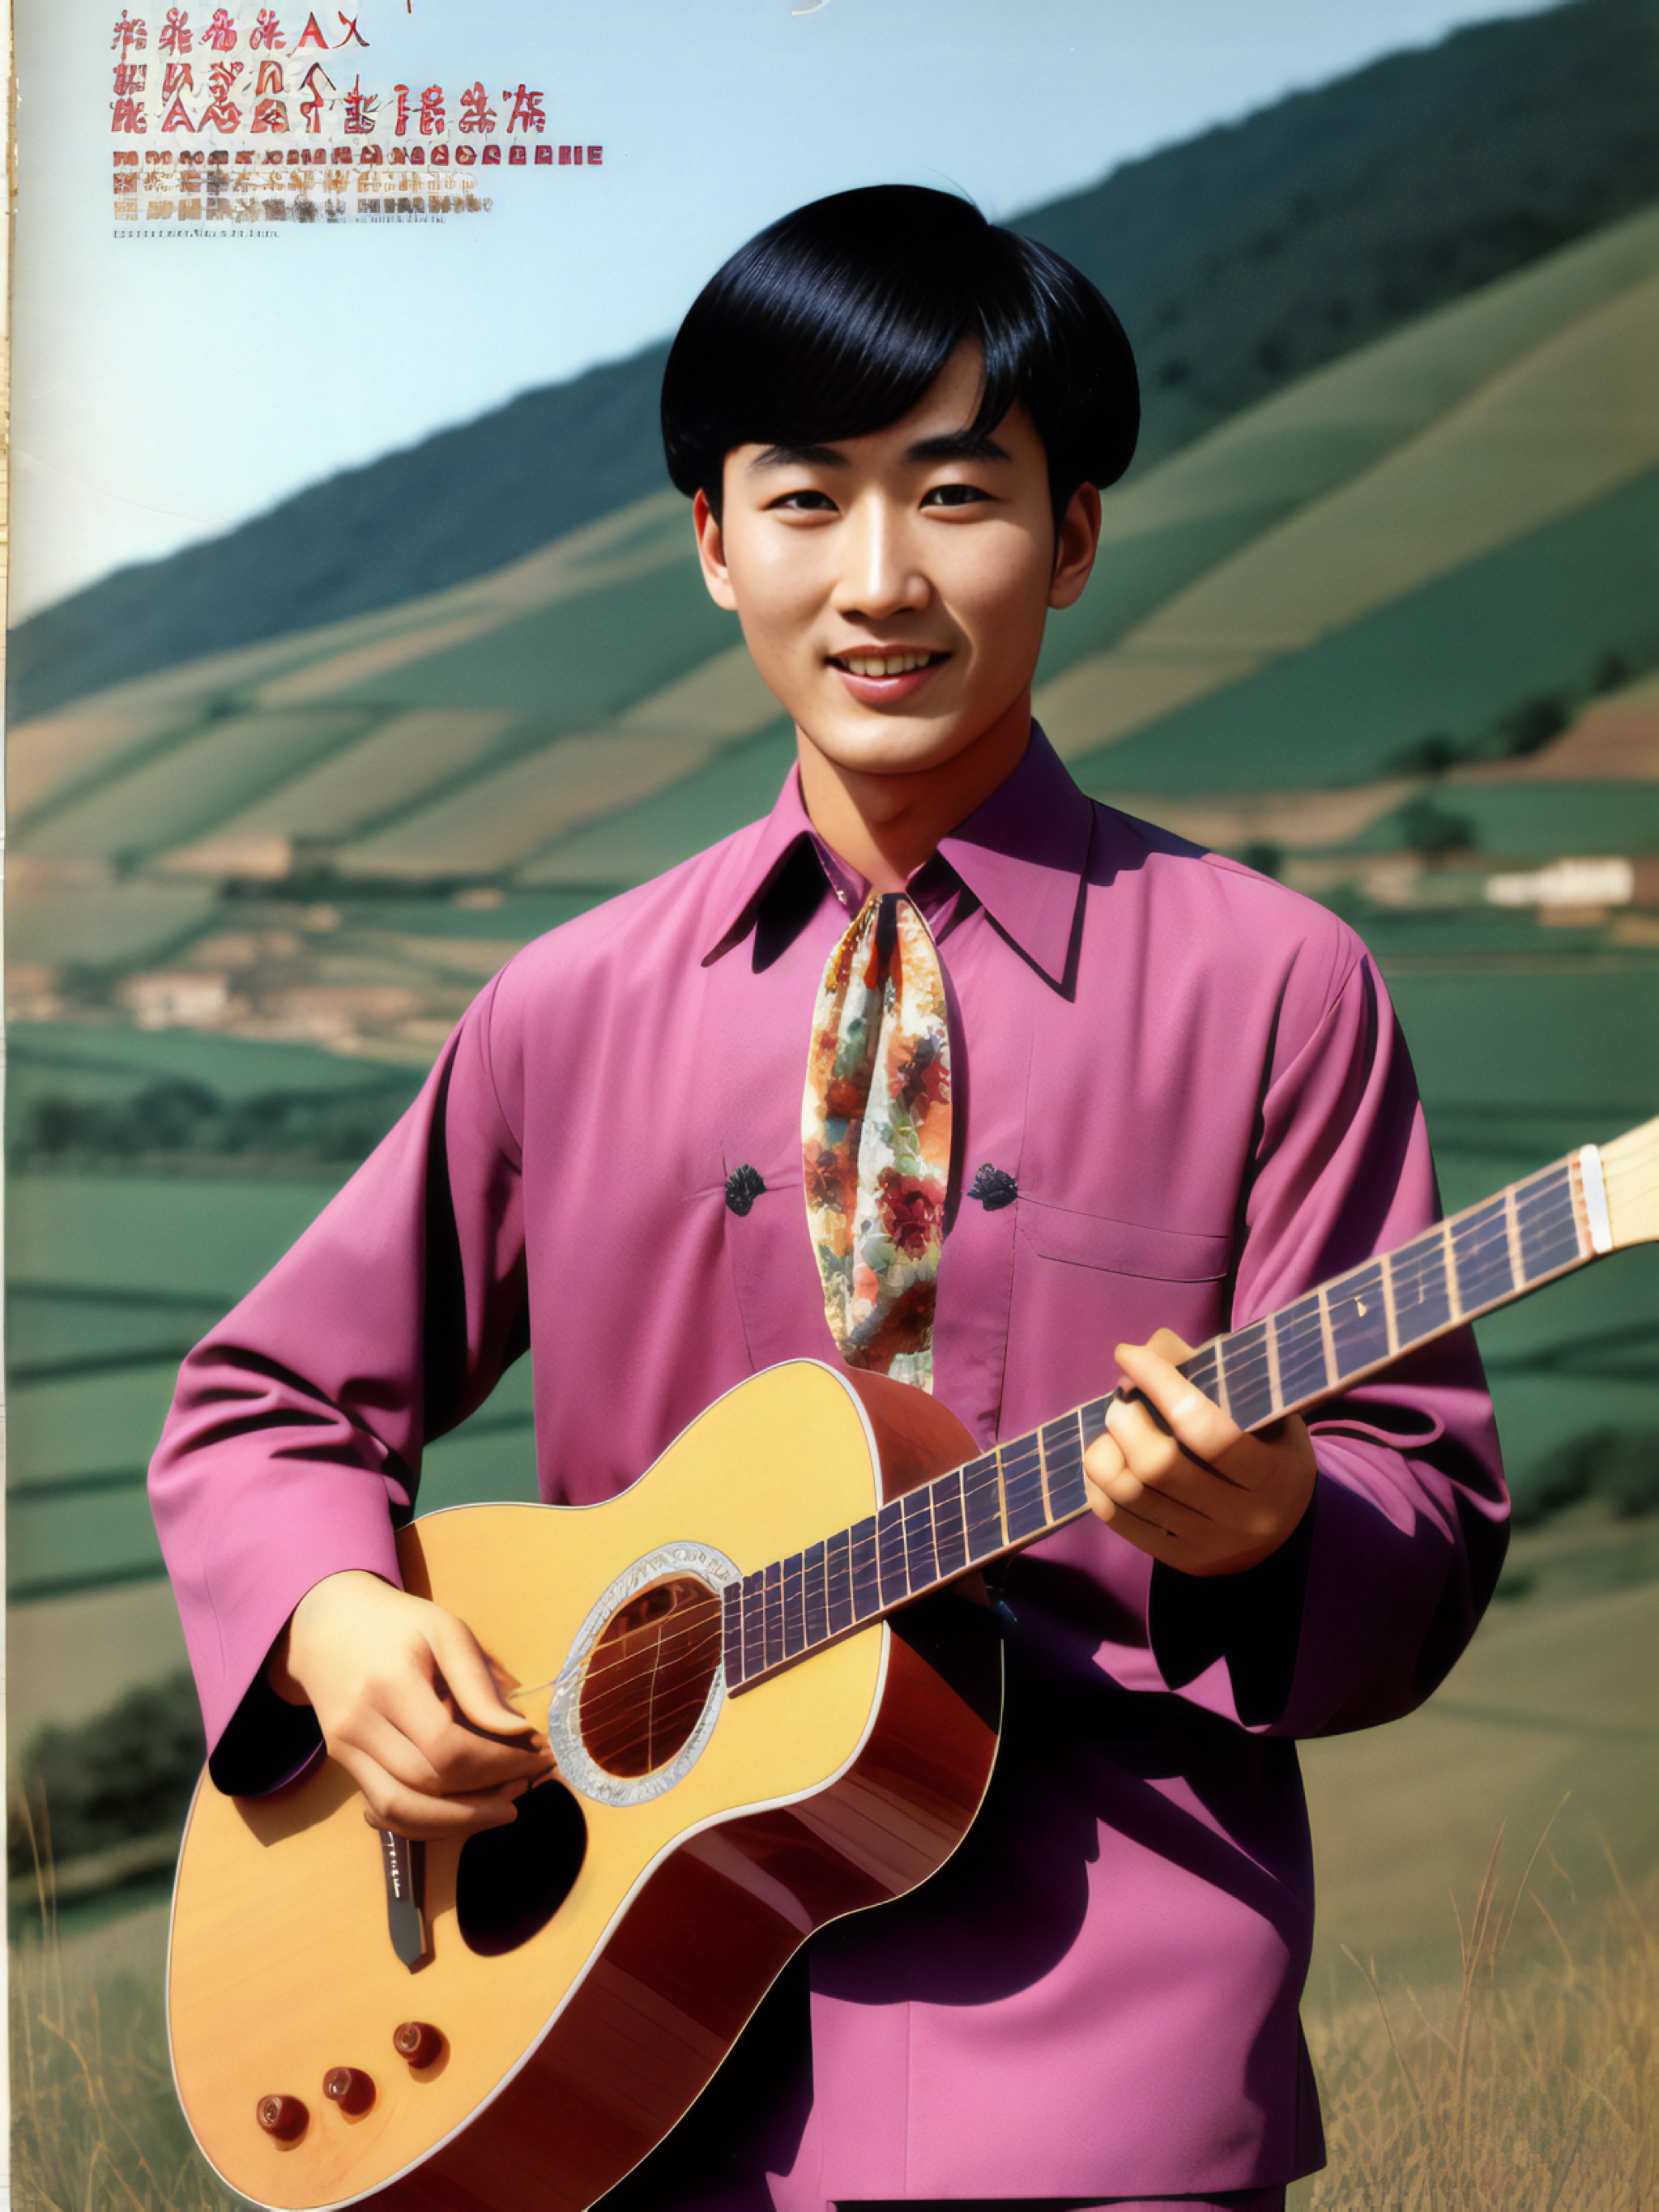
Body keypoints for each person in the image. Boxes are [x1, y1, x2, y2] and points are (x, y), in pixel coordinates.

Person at [150, 185, 1508, 2212]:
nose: (881, 579)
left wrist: (1279, 1527)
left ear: (1071, 538)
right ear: (712, 544)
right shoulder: (566, 1006)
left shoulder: (1274, 988)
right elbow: (265, 1403)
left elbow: (1419, 1498)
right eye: (804, 500)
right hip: (597, 2056)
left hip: (1101, 2077)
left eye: (957, 495)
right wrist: (336, 1622)